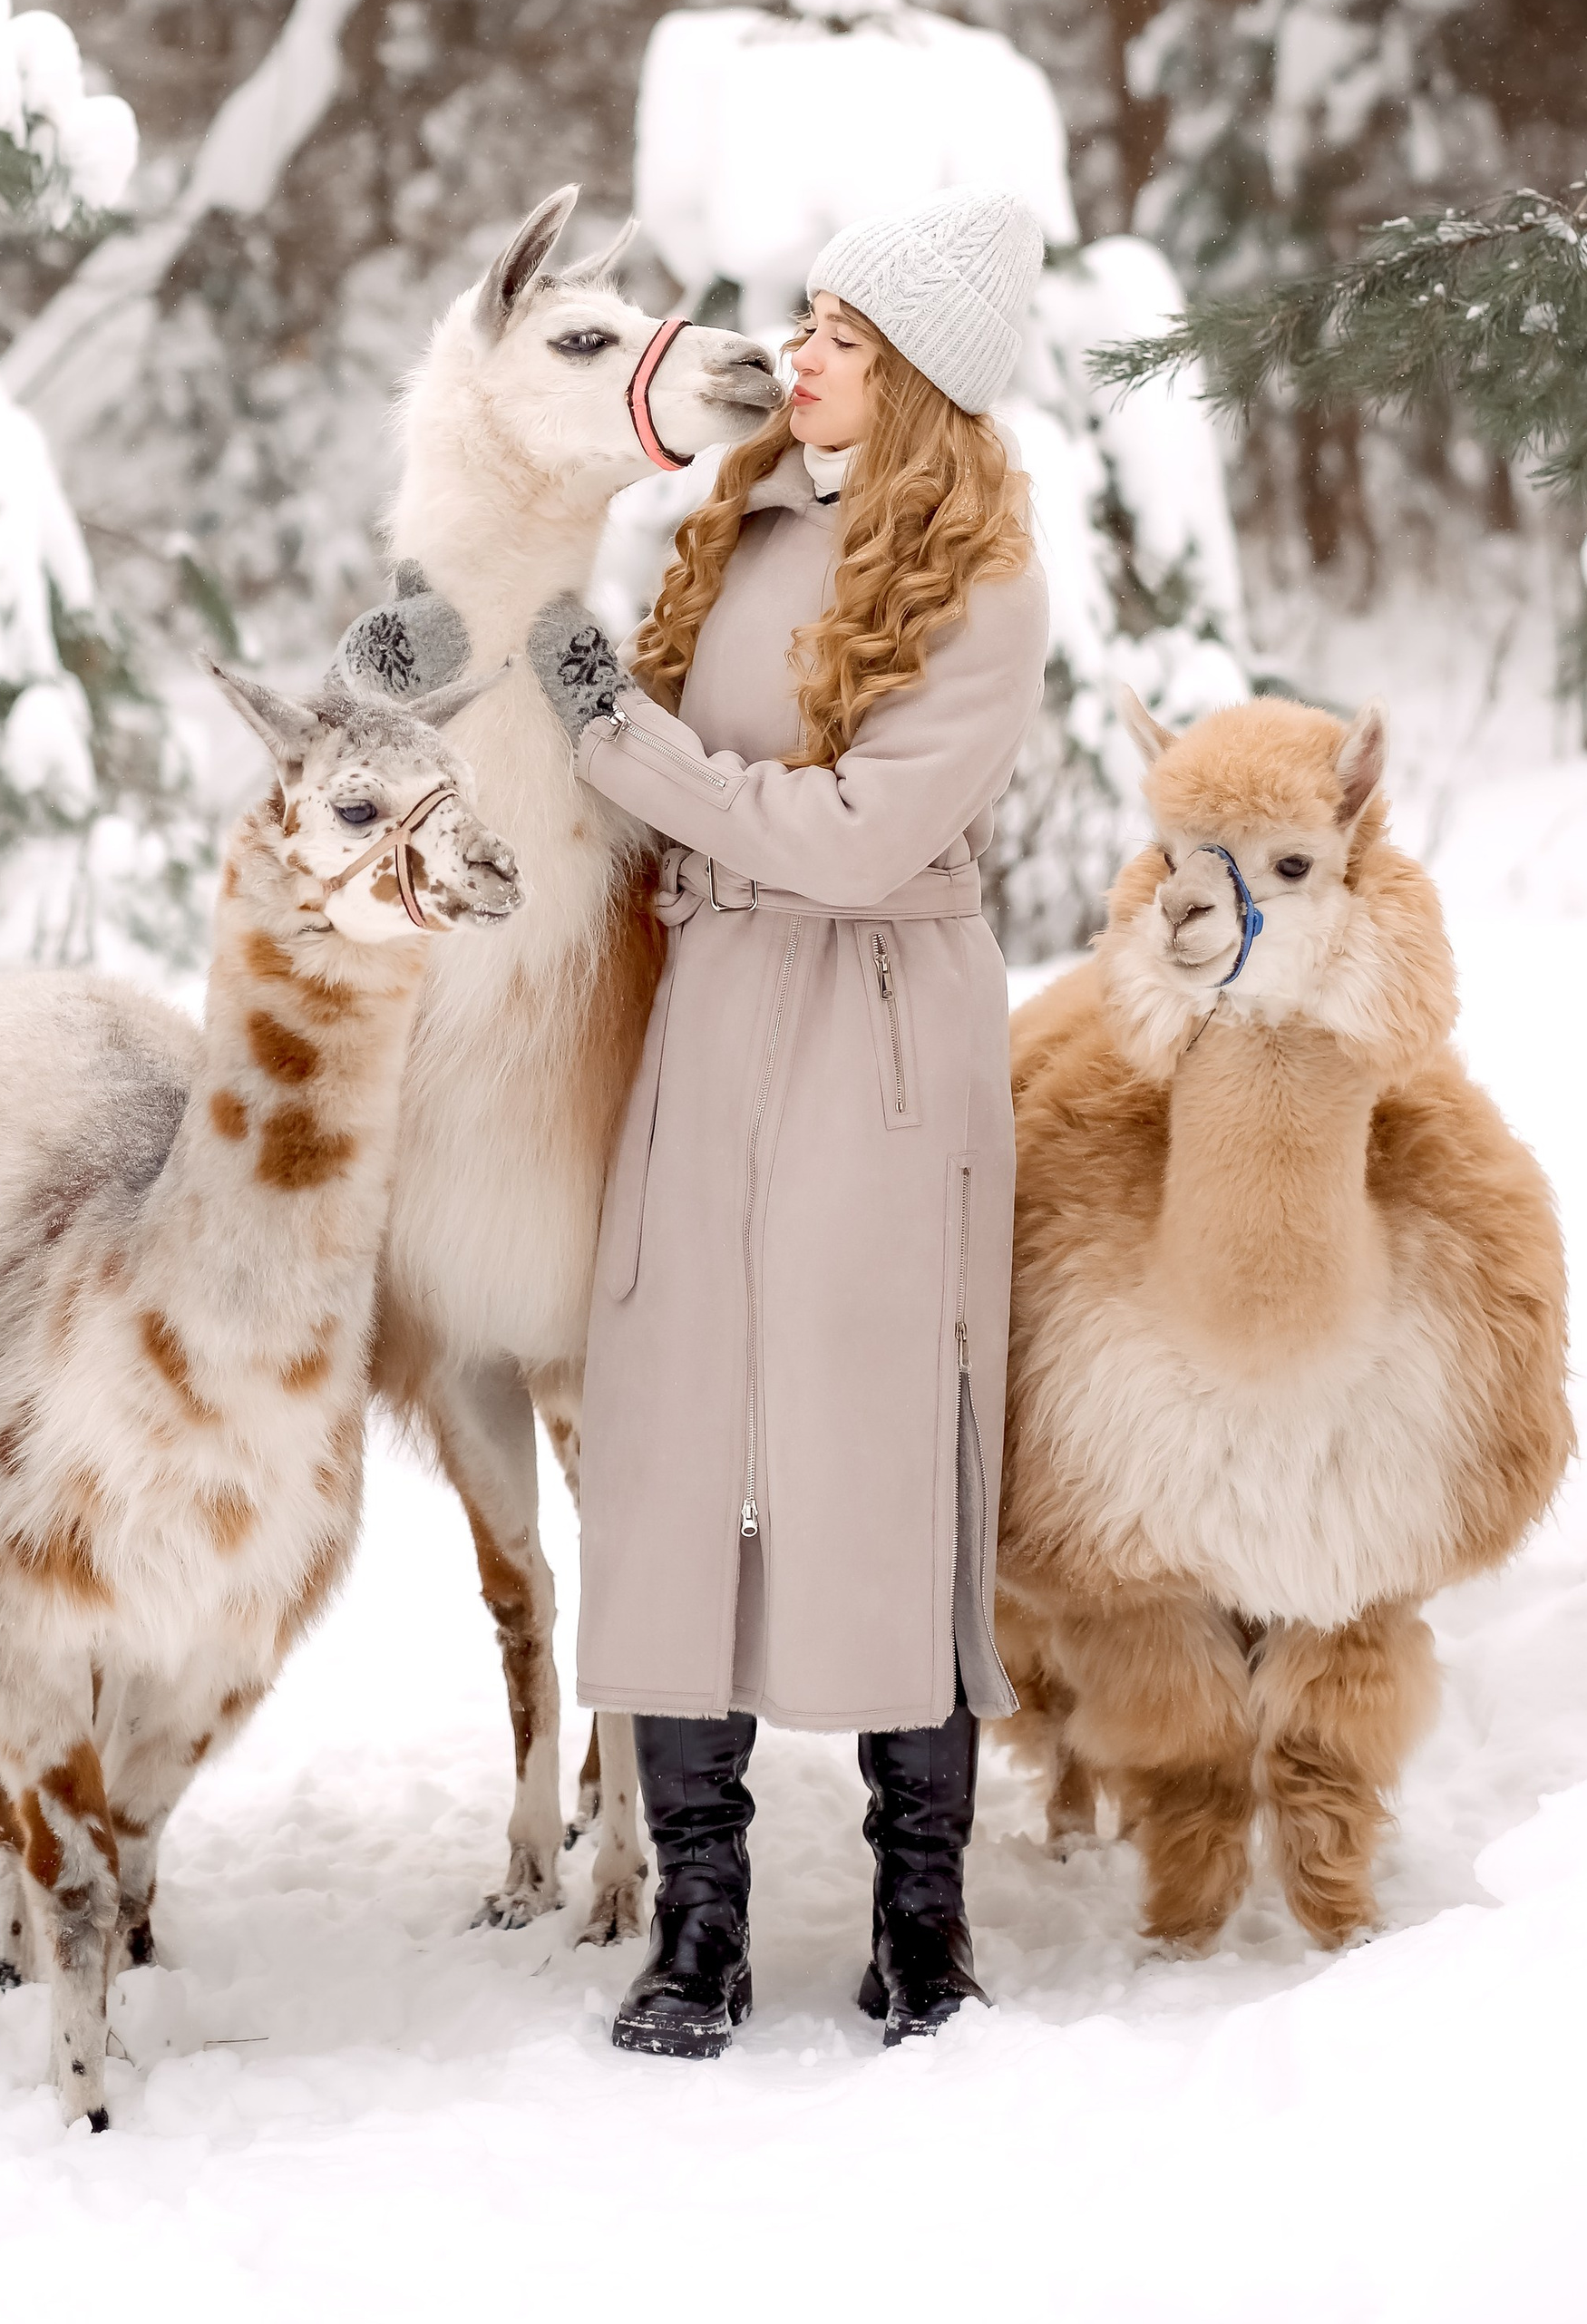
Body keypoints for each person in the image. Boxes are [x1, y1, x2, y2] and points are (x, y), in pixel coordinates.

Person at [524, 190, 1049, 2057]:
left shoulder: (981, 582)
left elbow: (846, 836)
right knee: (676, 1432)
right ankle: (699, 1922)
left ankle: (923, 1915)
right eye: (808, 318)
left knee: (880, 1437)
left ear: (913, 374)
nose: (798, 351)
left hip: (887, 1030)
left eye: (839, 332)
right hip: (715, 1005)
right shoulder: (737, 521)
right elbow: (658, 793)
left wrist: (631, 745)